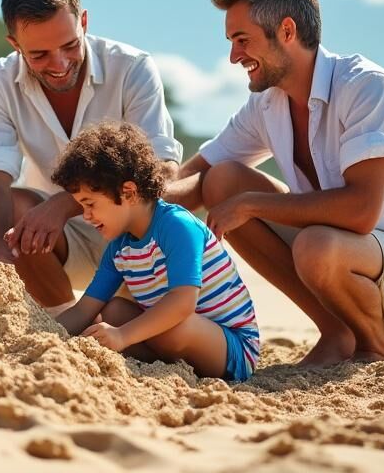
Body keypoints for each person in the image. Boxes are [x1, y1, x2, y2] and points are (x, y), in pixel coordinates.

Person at [166, 0, 384, 366]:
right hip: (341, 253)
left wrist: (253, 205)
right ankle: (338, 332)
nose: (234, 56)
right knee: (224, 181)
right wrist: (123, 206)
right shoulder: (267, 103)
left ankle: (376, 348)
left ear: (287, 31)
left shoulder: (365, 85)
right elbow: (196, 175)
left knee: (315, 244)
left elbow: (359, 213)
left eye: (243, 40)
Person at [0, 0, 183, 312]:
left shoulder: (132, 67)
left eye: (70, 45)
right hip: (62, 242)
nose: (59, 64)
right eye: (39, 54)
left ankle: (117, 309)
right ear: (14, 44)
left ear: (83, 21)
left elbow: (163, 167)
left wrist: (64, 204)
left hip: (138, 235)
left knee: (128, 326)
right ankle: (62, 323)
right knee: (14, 205)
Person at [52, 122, 259, 381]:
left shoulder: (176, 226)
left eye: (90, 204)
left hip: (231, 349)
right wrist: (47, 336)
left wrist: (122, 336)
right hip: (175, 335)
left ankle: (154, 357)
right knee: (114, 311)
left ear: (128, 192)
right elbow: (84, 309)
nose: (86, 216)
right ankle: (162, 366)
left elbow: (183, 303)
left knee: (170, 325)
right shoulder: (120, 247)